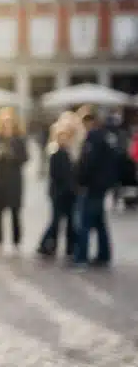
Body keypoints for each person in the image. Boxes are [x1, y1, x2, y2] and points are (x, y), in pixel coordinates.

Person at [72, 111, 115, 269]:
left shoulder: (93, 138)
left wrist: (80, 181)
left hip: (92, 186)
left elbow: (88, 163)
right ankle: (104, 255)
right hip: (102, 186)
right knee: (99, 222)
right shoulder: (106, 136)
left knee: (84, 222)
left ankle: (81, 257)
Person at [0, 108, 29, 255]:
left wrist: (12, 155)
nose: (7, 127)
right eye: (4, 124)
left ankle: (16, 243)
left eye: (10, 123)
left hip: (14, 183)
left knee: (15, 214)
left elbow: (25, 158)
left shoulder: (19, 140)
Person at [37, 118, 77, 260]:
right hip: (59, 193)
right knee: (55, 221)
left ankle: (70, 248)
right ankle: (46, 246)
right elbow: (57, 175)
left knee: (70, 223)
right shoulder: (55, 153)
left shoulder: (69, 153)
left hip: (69, 194)